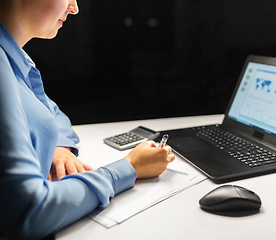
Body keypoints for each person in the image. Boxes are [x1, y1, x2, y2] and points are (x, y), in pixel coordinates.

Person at [0, 0, 175, 239]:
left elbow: (52, 113)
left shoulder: (12, 58)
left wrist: (57, 147)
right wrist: (129, 167)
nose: (75, 7)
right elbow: (27, 212)